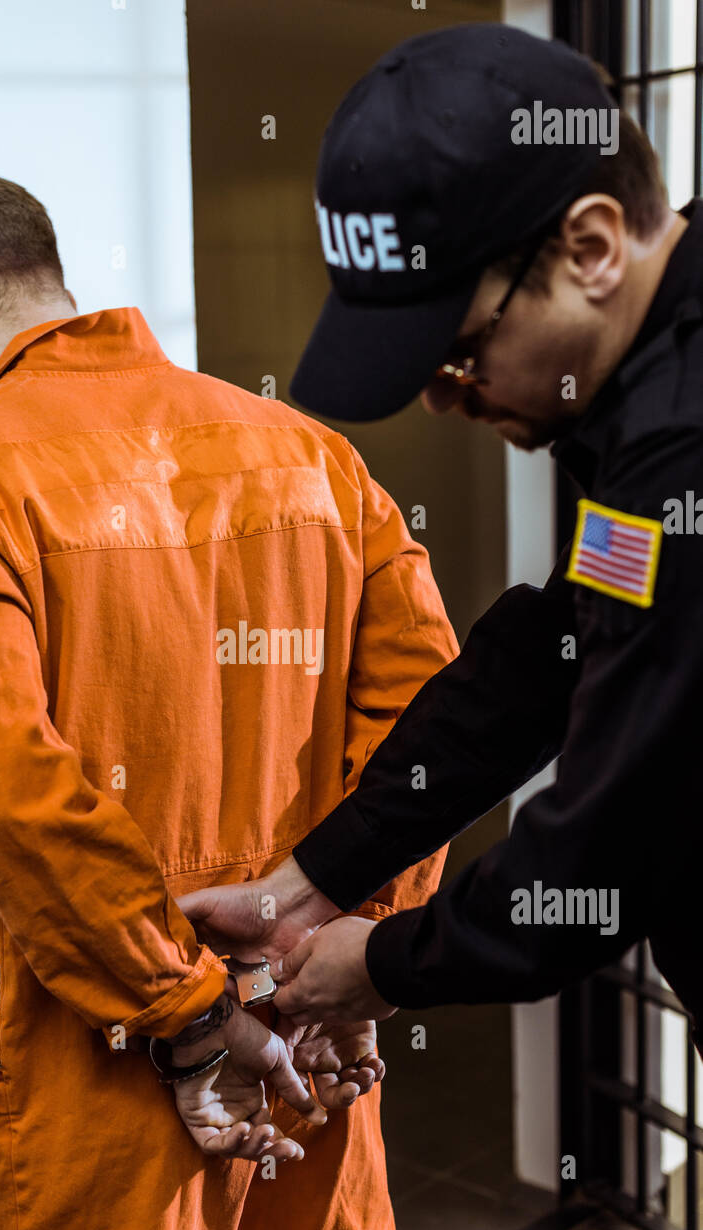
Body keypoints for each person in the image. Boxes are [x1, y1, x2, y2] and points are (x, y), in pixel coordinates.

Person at [0, 166, 457, 1230]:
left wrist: (188, 1015)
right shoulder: (311, 453)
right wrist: (355, 945)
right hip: (308, 1026)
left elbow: (13, 792)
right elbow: (431, 717)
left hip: (110, 1055)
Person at [176, 23, 703, 1058]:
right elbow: (553, 652)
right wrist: (311, 880)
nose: (442, 400)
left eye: (459, 354)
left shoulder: (683, 449)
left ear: (591, 247)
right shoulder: (650, 378)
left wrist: (382, 966)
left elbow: (609, 846)